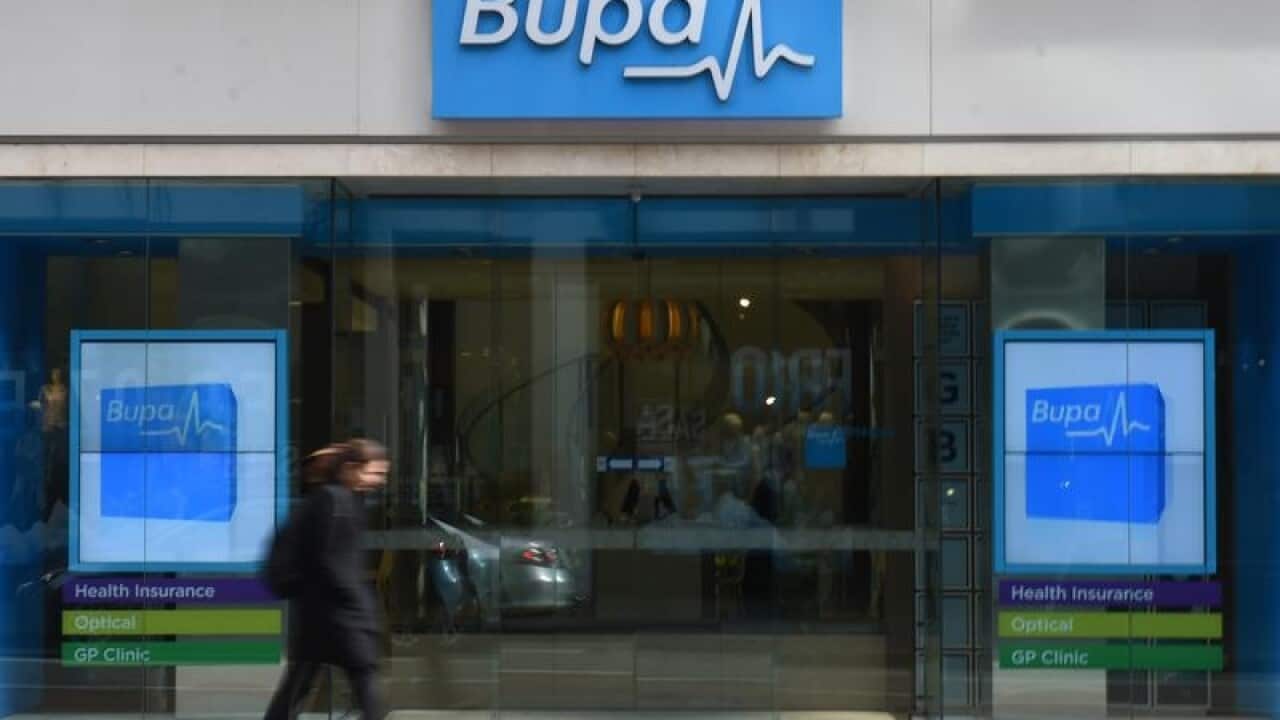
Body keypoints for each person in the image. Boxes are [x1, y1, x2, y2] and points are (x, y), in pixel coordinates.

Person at [264, 439, 390, 720]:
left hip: (320, 617)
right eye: (376, 472)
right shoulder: (337, 501)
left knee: (297, 688)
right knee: (364, 684)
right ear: (353, 469)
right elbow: (334, 563)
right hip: (338, 618)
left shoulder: (333, 500)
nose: (379, 481)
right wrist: (360, 606)